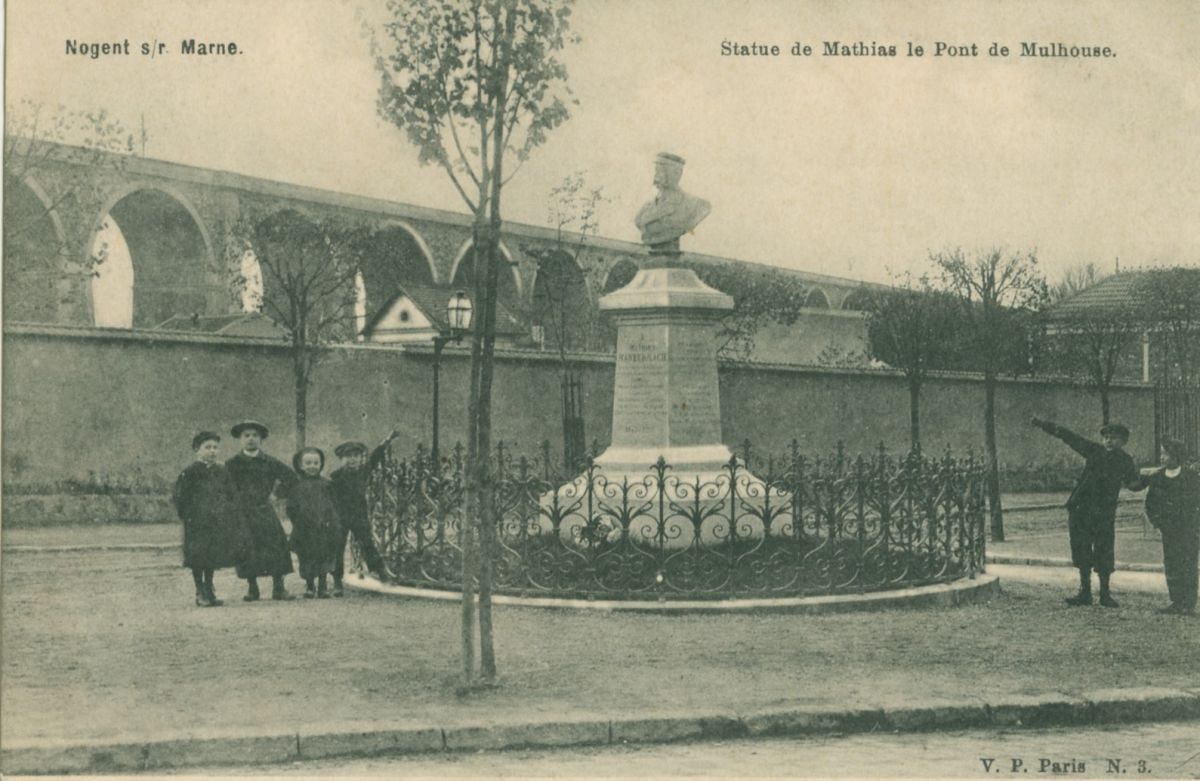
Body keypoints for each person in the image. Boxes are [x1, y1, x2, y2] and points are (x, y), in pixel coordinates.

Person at [1031, 418, 1145, 607]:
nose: (1108, 441)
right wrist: (1044, 425)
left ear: (1123, 441)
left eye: (1114, 438)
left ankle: (1105, 594)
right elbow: (1069, 437)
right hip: (1081, 508)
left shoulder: (1125, 461)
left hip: (1104, 512)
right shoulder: (1094, 451)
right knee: (1081, 548)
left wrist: (1150, 479)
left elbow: (1133, 484)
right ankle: (1085, 592)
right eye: (1106, 437)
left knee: (1104, 550)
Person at [225, 420, 297, 602]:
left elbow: (291, 478)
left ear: (261, 439)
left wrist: (276, 495)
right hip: (243, 513)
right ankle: (252, 589)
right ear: (240, 439)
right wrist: (232, 502)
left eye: (255, 435)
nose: (251, 439)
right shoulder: (232, 464)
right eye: (246, 435)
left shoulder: (269, 461)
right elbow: (223, 486)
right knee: (248, 548)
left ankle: (278, 588)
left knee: (276, 546)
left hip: (264, 511)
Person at [172, 431, 243, 607]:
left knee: (212, 555)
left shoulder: (222, 471)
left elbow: (231, 494)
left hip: (216, 521)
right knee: (198, 556)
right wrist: (188, 516)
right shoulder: (190, 472)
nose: (212, 451)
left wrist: (228, 512)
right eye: (207, 447)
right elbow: (180, 497)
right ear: (197, 449)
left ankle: (209, 588)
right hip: (196, 522)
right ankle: (200, 590)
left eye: (215, 447)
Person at [1134, 439, 1200, 615]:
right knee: (1172, 563)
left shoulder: (1192, 477)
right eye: (1162, 454)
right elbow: (1151, 503)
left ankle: (1189, 603)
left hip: (1189, 529)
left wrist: (1195, 523)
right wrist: (1158, 522)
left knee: (1188, 563)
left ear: (1177, 456)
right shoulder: (1157, 478)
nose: (1163, 457)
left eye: (1166, 454)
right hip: (1168, 529)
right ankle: (1176, 601)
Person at [329, 436, 394, 593]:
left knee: (367, 544)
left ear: (360, 458)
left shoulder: (363, 472)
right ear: (341, 459)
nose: (352, 460)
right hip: (340, 516)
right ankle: (337, 580)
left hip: (359, 516)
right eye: (348, 456)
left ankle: (381, 573)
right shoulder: (335, 477)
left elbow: (374, 458)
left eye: (355, 456)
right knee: (337, 548)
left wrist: (386, 442)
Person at [286, 447, 343, 599]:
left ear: (321, 464)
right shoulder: (297, 486)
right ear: (301, 465)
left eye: (316, 463)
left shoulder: (327, 485)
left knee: (324, 556)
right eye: (308, 463)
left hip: (323, 528)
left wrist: (331, 521)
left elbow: (334, 505)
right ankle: (310, 585)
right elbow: (291, 507)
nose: (312, 466)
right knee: (306, 557)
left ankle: (323, 587)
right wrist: (298, 521)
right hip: (304, 529)